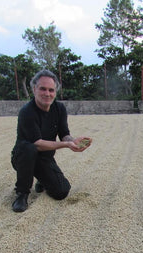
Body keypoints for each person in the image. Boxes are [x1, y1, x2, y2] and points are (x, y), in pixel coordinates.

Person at [10, 69, 91, 212]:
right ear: (34, 89)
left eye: (51, 90)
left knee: (62, 191)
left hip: (44, 159)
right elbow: (37, 144)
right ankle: (22, 193)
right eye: (42, 89)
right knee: (29, 148)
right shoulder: (26, 112)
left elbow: (64, 134)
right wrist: (66, 145)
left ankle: (42, 179)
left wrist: (73, 141)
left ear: (55, 92)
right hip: (23, 158)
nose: (47, 94)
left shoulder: (59, 108)